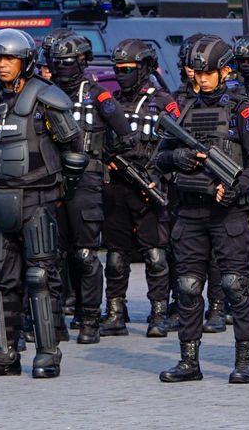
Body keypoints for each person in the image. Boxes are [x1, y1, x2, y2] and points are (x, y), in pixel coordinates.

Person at [0, 27, 81, 379]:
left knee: (39, 276)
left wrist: (62, 194)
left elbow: (75, 150)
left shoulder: (47, 97)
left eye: (10, 58)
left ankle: (47, 353)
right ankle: (4, 351)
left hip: (37, 198)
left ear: (25, 61)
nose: (3, 65)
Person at [156, 34, 249, 385]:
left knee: (236, 283)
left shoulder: (242, 107)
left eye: (208, 74)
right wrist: (178, 157)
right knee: (188, 286)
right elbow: (158, 158)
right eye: (196, 73)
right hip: (189, 211)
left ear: (224, 71)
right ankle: (189, 360)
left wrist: (236, 188)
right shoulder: (181, 106)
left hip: (228, 212)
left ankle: (246, 359)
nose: (201, 80)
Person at [43, 28, 133, 346]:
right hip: (51, 182)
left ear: (82, 61)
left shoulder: (99, 96)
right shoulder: (44, 94)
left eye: (68, 62)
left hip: (86, 181)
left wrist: (102, 160)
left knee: (84, 254)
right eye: (56, 62)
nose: (61, 68)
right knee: (51, 256)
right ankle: (53, 321)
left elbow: (126, 135)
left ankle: (90, 319)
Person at [101, 38, 173, 339]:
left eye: (128, 68)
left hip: (149, 184)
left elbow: (173, 142)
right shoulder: (111, 101)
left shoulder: (163, 101)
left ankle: (159, 313)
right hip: (117, 186)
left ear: (144, 68)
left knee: (155, 254)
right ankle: (116, 313)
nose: (121, 74)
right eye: (118, 69)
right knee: (116, 256)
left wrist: (157, 174)